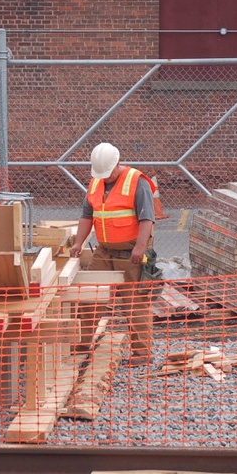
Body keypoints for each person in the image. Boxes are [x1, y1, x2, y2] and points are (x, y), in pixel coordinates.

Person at [70, 142, 158, 367]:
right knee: (90, 296)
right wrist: (78, 242)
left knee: (134, 303)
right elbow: (86, 215)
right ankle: (83, 343)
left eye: (108, 173)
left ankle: (142, 354)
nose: (105, 178)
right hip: (104, 250)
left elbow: (147, 218)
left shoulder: (137, 182)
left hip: (132, 252)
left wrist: (140, 247)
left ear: (117, 164)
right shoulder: (95, 183)